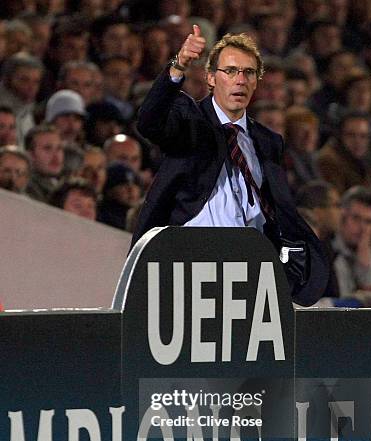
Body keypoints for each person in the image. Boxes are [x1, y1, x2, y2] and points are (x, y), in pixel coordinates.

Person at [132, 27, 329, 306]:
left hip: (251, 270)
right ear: (211, 77)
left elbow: (276, 208)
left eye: (248, 73)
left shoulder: (267, 141)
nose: (240, 80)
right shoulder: (190, 123)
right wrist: (179, 65)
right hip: (192, 267)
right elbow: (149, 121)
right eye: (231, 71)